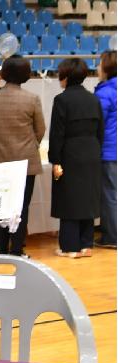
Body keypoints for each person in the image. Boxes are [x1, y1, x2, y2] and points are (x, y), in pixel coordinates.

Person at [0, 55, 46, 257]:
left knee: (0, 206)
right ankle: (17, 250)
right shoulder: (32, 99)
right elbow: (40, 130)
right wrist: (29, 145)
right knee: (21, 207)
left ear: (4, 73)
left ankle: (1, 250)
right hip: (26, 162)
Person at [49, 58, 104, 258]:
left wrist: (55, 160)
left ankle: (70, 246)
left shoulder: (61, 100)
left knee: (69, 199)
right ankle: (86, 244)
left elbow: (57, 134)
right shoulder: (93, 99)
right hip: (91, 151)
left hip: (70, 152)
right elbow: (101, 131)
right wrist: (95, 151)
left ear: (66, 77)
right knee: (88, 198)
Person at [94, 50, 117, 249]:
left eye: (100, 64)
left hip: (109, 151)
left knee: (109, 194)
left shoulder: (105, 92)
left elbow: (96, 122)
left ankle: (112, 237)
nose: (97, 68)